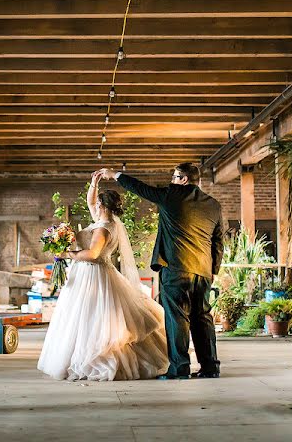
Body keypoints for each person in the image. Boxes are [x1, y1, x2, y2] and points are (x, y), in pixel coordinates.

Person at [99, 163, 227, 380]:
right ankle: (210, 367)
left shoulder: (172, 195)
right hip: (203, 271)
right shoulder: (213, 204)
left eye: (175, 176)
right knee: (203, 318)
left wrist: (115, 174)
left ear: (184, 179)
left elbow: (141, 188)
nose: (172, 180)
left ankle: (180, 368)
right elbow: (218, 240)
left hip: (176, 269)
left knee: (176, 318)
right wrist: (213, 269)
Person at [37, 171, 168, 381]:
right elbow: (91, 202)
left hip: (93, 274)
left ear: (103, 206)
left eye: (97, 203)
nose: (94, 206)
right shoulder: (108, 222)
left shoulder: (103, 229)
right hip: (96, 273)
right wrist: (93, 183)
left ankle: (95, 359)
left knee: (92, 318)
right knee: (87, 318)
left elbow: (93, 254)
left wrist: (66, 254)